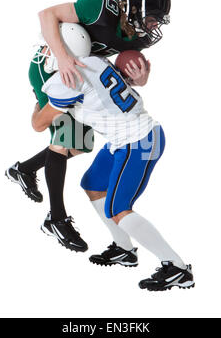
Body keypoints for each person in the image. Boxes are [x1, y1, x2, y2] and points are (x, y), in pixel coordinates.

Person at [5, 0, 171, 253]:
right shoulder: (100, 5)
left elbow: (123, 72)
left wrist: (140, 80)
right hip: (55, 66)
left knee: (80, 144)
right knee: (64, 139)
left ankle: (23, 170)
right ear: (133, 9)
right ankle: (56, 218)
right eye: (152, 19)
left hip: (85, 75)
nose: (154, 27)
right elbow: (47, 15)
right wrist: (63, 58)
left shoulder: (137, 37)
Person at [31, 49, 194, 292]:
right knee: (93, 184)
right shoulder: (94, 60)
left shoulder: (67, 78)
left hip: (138, 141)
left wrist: (38, 103)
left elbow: (38, 124)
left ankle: (177, 268)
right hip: (126, 137)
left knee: (118, 209)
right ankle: (124, 250)